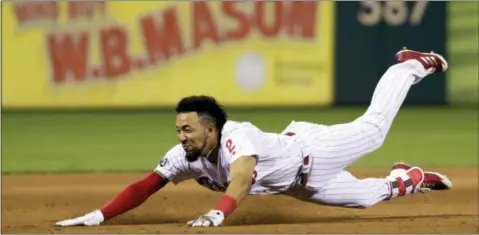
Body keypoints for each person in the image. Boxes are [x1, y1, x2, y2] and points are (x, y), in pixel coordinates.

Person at [55, 48, 453, 228]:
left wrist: (219, 213)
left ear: (210, 128)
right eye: (178, 129)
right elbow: (146, 185)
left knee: (374, 130)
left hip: (312, 152)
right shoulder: (185, 154)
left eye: (188, 128)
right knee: (366, 198)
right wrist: (100, 215)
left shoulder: (236, 137)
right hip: (300, 184)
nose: (181, 135)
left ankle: (412, 65)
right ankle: (408, 178)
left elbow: (242, 178)